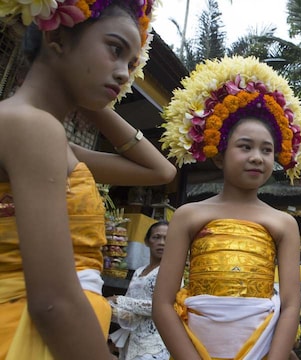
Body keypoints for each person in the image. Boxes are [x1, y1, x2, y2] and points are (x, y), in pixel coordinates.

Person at [0, 1, 176, 359]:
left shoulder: (44, 136)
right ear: (58, 35)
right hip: (32, 338)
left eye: (130, 63)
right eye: (114, 49)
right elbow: (53, 302)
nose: (125, 74)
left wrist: (91, 100)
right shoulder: (33, 128)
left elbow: (161, 172)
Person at [152, 56, 301, 359]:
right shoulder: (189, 215)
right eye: (245, 146)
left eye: (267, 150)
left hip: (261, 346)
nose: (257, 157)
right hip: (195, 346)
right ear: (217, 155)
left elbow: (291, 305)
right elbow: (162, 303)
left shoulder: (283, 224)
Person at [109, 220, 170, 360]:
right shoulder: (139, 272)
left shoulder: (172, 272)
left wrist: (118, 300)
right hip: (130, 345)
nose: (161, 242)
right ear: (147, 241)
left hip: (154, 346)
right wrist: (107, 307)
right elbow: (130, 314)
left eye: (167, 238)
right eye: (156, 237)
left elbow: (159, 307)